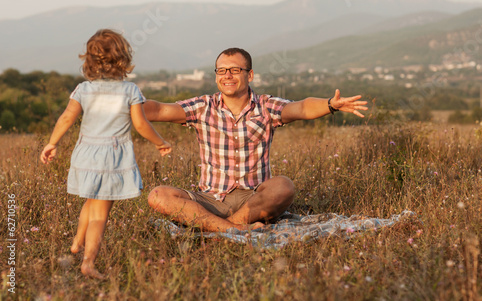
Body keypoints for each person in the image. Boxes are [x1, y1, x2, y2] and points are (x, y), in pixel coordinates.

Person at [145, 48, 367, 233]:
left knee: (283, 186)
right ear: (216, 76)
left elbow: (300, 107)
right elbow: (159, 109)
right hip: (210, 199)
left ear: (249, 75)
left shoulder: (265, 106)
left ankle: (225, 227)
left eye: (234, 70)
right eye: (221, 71)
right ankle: (229, 227)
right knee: (158, 195)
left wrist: (330, 104)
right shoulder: (203, 107)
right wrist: (123, 103)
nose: (227, 76)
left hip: (253, 199)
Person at [40, 29, 172, 279]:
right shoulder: (130, 90)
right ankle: (88, 262)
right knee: (101, 213)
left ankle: (77, 242)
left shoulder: (83, 89)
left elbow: (67, 117)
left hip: (85, 156)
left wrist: (52, 143)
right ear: (123, 60)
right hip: (111, 158)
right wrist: (161, 142)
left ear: (88, 62)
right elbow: (141, 125)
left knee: (91, 200)